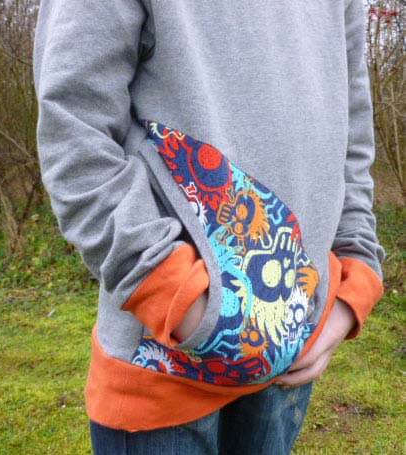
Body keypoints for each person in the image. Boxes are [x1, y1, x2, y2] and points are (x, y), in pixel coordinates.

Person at [32, 1, 386, 453]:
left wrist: (356, 276)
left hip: (292, 362)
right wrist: (177, 298)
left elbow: (351, 131)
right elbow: (75, 130)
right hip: (165, 367)